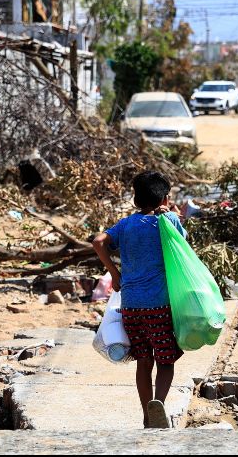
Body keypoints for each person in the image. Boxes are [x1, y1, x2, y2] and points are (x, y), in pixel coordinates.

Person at [92, 171, 187, 429]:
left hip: (131, 307)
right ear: (166, 198)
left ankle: (147, 416)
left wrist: (115, 274)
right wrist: (172, 215)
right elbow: (183, 249)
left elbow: (99, 241)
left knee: (144, 362)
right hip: (160, 305)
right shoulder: (168, 222)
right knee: (166, 361)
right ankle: (159, 403)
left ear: (136, 198)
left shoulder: (125, 225)